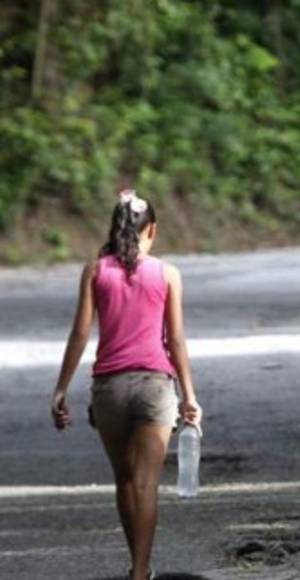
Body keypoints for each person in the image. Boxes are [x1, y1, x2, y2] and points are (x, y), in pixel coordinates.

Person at [49, 190, 202, 580]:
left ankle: (140, 567)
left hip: (109, 391)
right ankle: (139, 572)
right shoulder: (168, 274)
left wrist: (61, 389)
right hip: (154, 388)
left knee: (124, 480)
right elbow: (177, 339)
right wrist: (189, 396)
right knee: (147, 484)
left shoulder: (95, 271)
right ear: (152, 229)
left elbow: (80, 333)